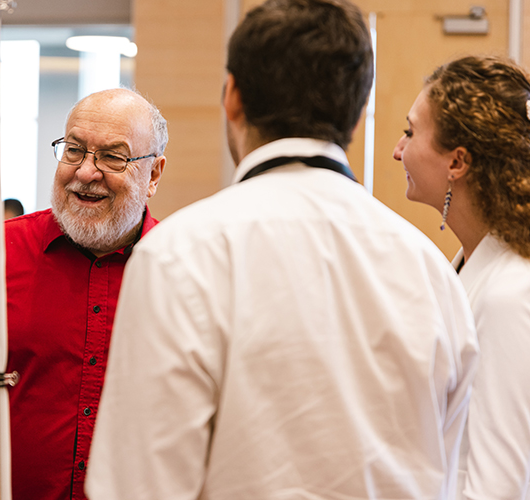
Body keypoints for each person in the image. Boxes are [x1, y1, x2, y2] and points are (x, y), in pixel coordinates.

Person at [85, 1, 480, 498]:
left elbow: (137, 485)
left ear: (232, 98)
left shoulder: (179, 255)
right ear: (357, 112)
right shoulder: (432, 272)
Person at [4, 87, 167, 500]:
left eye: (113, 156)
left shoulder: (182, 268)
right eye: (74, 150)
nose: (86, 172)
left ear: (153, 175)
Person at [393, 55, 530, 499]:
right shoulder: (470, 262)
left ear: (458, 162)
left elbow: (501, 484)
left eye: (411, 133)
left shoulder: (510, 293)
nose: (398, 149)